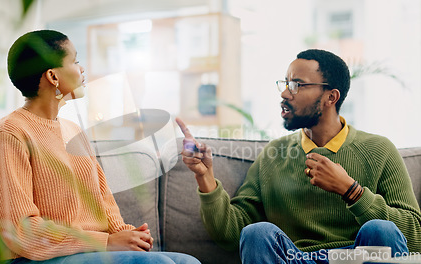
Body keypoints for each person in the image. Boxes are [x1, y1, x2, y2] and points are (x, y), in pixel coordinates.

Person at [176, 49, 421, 263]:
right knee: (256, 233)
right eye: (284, 83)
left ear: (330, 97)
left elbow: (414, 237)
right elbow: (232, 235)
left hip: (357, 259)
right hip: (295, 259)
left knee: (381, 230)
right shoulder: (273, 155)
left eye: (296, 85)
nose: (284, 93)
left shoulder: (379, 149)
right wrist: (205, 177)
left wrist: (352, 191)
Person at [0, 29, 201, 264]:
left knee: (188, 262)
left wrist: (126, 235)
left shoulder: (73, 130)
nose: (82, 69)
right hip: (34, 259)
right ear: (53, 76)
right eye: (75, 61)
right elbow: (19, 230)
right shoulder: (10, 133)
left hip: (90, 252)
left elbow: (103, 200)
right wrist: (105, 243)